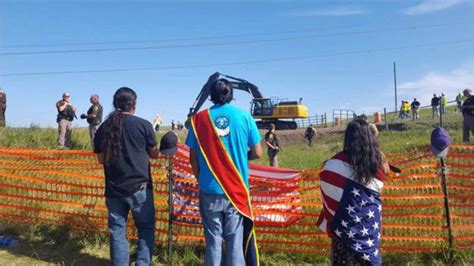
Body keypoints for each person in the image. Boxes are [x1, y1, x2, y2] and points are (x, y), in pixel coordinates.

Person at [186, 78, 262, 266]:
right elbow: (258, 152)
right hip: (236, 189)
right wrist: (241, 159)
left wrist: (202, 178)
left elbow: (193, 158)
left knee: (213, 240)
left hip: (209, 189)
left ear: (211, 96)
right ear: (231, 94)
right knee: (235, 240)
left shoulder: (198, 120)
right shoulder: (245, 117)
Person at [94, 87, 159, 266]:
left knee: (117, 231)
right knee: (145, 228)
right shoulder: (143, 125)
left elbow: (100, 159)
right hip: (140, 187)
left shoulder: (103, 128)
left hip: (114, 188)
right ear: (133, 105)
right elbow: (154, 154)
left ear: (115, 104)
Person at [317, 118, 389, 266]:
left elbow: (326, 180)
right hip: (367, 230)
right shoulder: (376, 161)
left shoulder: (335, 163)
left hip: (341, 235)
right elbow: (385, 174)